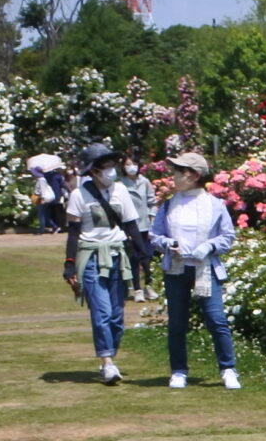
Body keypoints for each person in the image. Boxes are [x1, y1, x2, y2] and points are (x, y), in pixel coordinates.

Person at [150, 152, 240, 389]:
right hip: (177, 269)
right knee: (177, 322)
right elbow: (155, 235)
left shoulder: (214, 205)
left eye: (180, 171)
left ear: (194, 176)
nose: (175, 176)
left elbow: (227, 237)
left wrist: (208, 246)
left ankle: (228, 368)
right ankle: (179, 371)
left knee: (216, 318)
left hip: (205, 268)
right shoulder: (169, 205)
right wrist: (169, 244)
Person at [63, 142, 146, 383]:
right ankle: (107, 362)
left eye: (112, 165)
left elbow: (131, 224)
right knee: (101, 312)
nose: (111, 170)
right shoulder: (79, 195)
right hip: (90, 256)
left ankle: (110, 354)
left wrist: (143, 257)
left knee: (117, 317)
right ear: (94, 171)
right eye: (105, 167)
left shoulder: (120, 191)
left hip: (118, 255)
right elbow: (73, 232)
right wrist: (69, 264)